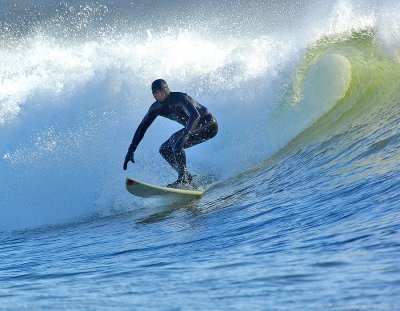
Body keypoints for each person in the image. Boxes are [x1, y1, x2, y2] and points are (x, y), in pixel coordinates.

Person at [123, 79, 218, 189]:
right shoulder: (155, 108)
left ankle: (183, 180)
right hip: (194, 129)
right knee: (164, 149)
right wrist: (131, 149)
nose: (159, 95)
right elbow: (142, 128)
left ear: (166, 89)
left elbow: (195, 115)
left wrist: (186, 134)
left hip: (209, 124)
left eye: (161, 91)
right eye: (155, 93)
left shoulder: (180, 98)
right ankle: (187, 177)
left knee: (177, 143)